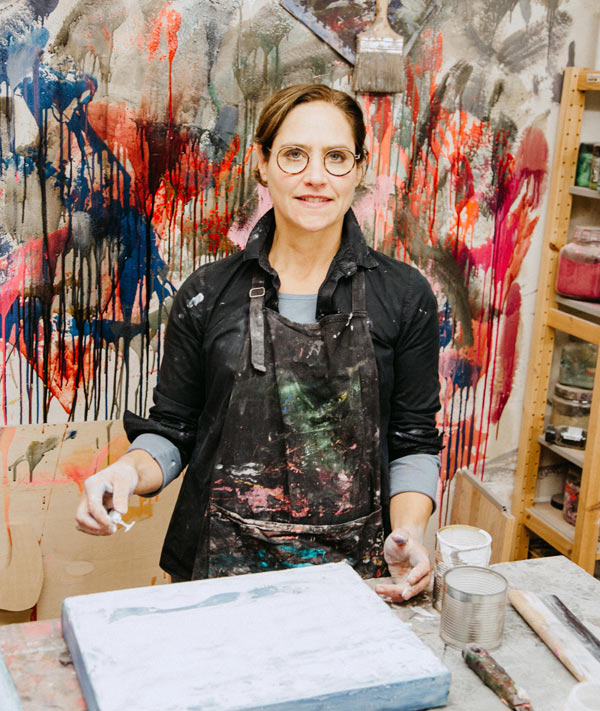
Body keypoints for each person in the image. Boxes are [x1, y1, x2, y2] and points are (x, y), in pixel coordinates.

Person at [76, 83, 443, 602]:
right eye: (294, 155)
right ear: (262, 164)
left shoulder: (404, 297)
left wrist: (408, 534)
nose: (316, 176)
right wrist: (124, 473)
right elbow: (174, 431)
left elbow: (412, 441)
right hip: (217, 576)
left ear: (359, 169)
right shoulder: (207, 294)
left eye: (336, 157)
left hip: (355, 582)